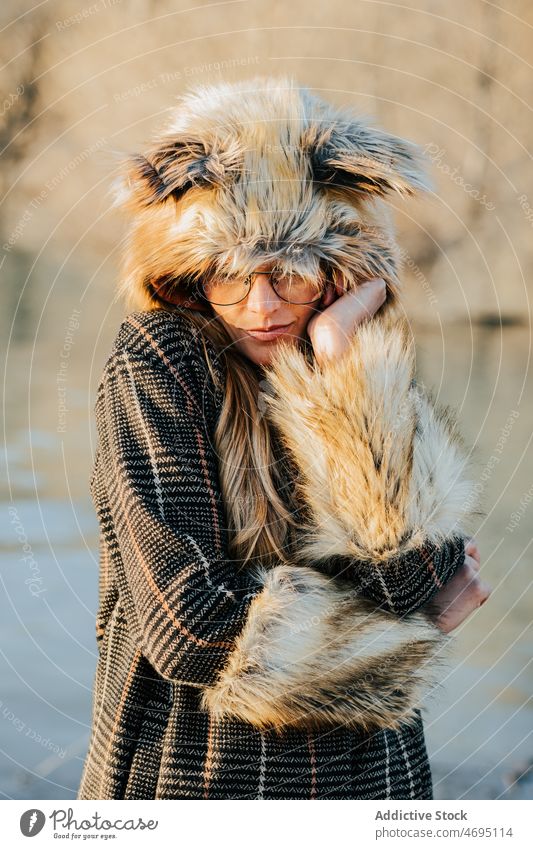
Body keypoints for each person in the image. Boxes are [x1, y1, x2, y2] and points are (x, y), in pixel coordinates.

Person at [77, 76, 491, 800]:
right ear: (189, 275)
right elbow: (194, 632)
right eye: (230, 276)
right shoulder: (162, 358)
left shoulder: (362, 361)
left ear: (337, 273)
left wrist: (342, 365)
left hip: (374, 782)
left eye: (290, 274)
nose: (261, 307)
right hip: (197, 777)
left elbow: (409, 576)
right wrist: (411, 634)